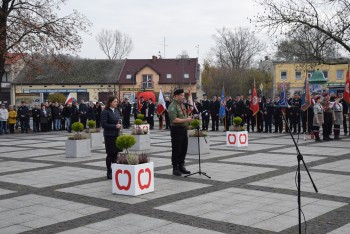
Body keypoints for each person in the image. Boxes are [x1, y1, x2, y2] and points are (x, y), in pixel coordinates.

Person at [168, 89, 193, 176]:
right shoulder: (172, 106)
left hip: (183, 129)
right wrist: (186, 119)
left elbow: (184, 116)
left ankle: (181, 166)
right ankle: (175, 168)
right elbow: (174, 120)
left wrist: (188, 122)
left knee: (183, 149)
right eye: (182, 95)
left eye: (183, 95)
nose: (183, 97)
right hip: (176, 130)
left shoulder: (182, 105)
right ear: (176, 96)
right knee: (176, 149)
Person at [101, 96, 122, 180]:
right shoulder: (105, 112)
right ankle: (109, 171)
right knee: (110, 153)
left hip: (117, 135)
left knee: (116, 154)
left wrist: (120, 124)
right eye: (115, 101)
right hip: (109, 136)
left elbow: (119, 120)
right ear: (110, 102)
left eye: (117, 101)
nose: (116, 103)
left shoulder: (116, 111)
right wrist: (115, 126)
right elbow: (104, 124)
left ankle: (115, 170)